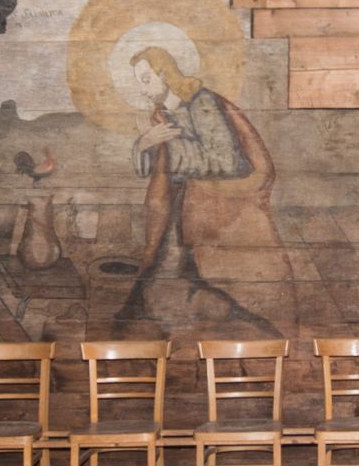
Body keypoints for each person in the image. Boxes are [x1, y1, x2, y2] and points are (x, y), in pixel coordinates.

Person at [114, 44, 290, 330]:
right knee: (165, 270)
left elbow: (225, 161)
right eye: (139, 83)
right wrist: (145, 143)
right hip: (178, 202)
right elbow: (150, 167)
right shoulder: (163, 113)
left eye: (146, 80)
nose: (142, 90)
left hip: (212, 203)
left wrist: (170, 146)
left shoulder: (202, 103)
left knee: (189, 272)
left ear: (164, 73)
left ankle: (243, 323)